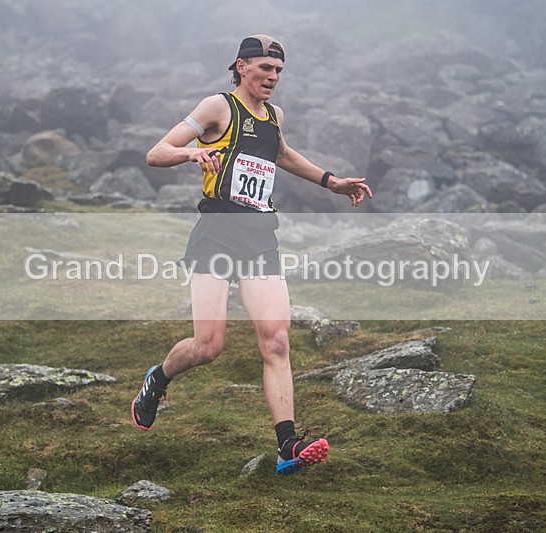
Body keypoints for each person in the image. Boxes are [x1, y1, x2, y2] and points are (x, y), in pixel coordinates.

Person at [132, 34, 372, 476]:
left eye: (278, 71)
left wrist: (331, 181)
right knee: (208, 347)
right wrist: (193, 153)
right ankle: (158, 379)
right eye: (265, 68)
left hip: (261, 235)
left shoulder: (274, 115)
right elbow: (156, 153)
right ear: (241, 66)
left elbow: (281, 154)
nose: (273, 78)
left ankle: (287, 446)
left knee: (277, 341)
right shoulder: (217, 107)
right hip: (217, 233)